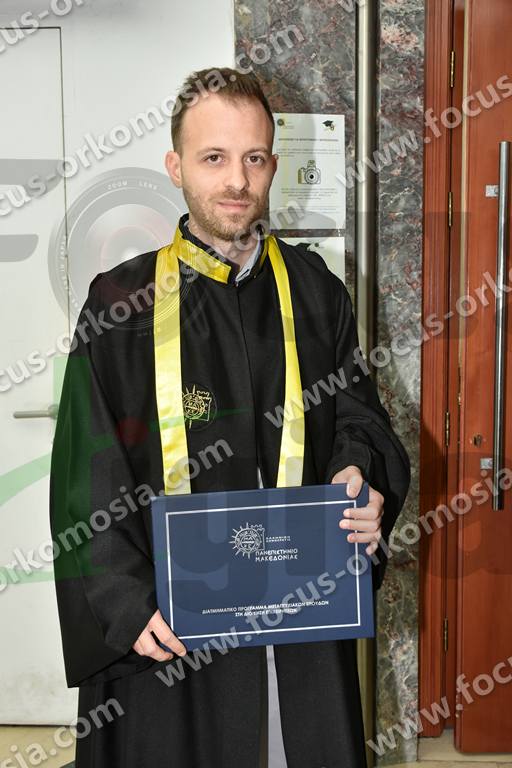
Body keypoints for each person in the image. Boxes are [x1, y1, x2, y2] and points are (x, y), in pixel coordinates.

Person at [49, 66, 410, 768]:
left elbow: (357, 415)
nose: (237, 180)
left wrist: (360, 476)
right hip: (169, 624)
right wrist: (123, 603)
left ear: (273, 165)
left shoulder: (316, 290)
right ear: (176, 166)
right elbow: (86, 471)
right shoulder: (119, 303)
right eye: (214, 157)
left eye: (254, 158)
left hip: (299, 617)